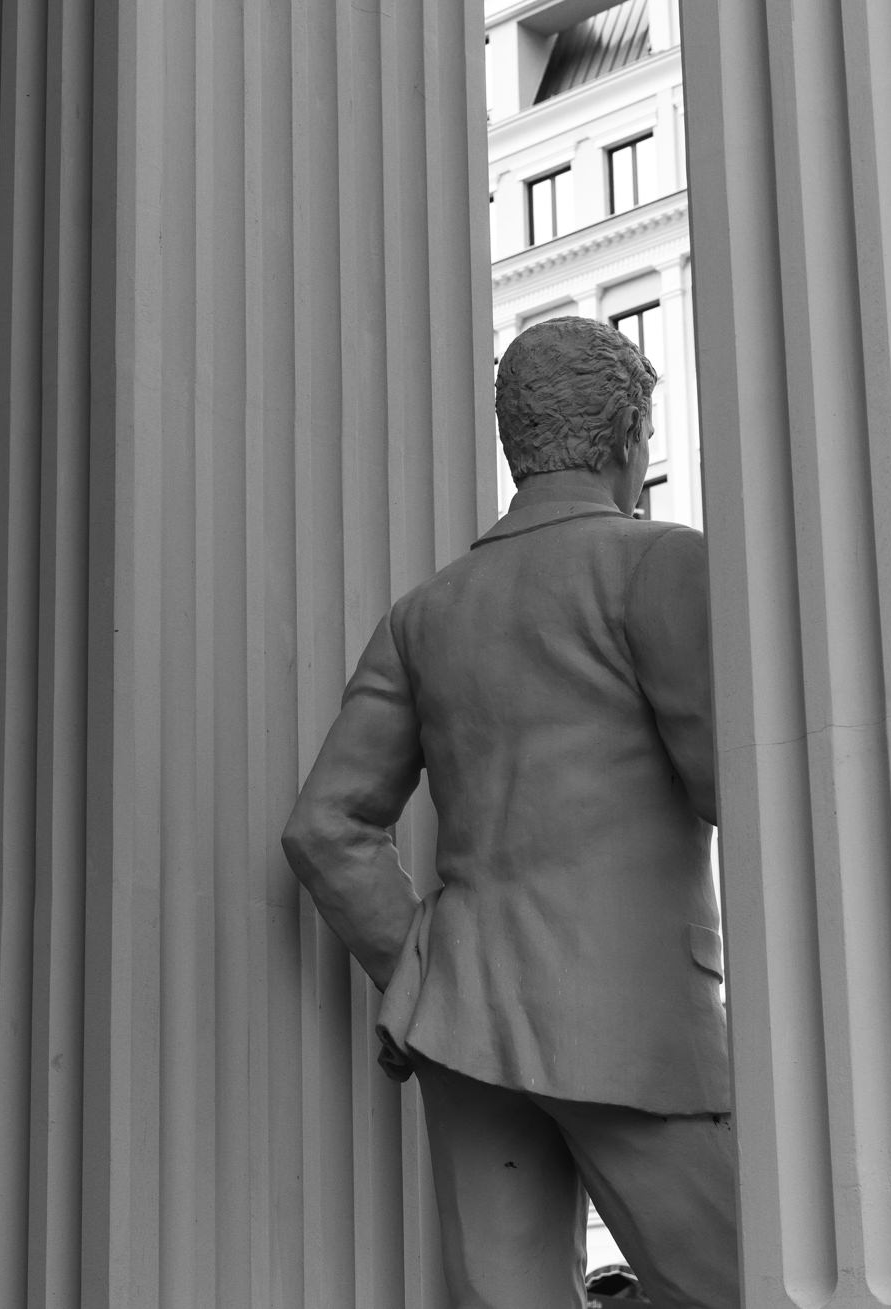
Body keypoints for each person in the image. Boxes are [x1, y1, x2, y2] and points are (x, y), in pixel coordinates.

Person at [282, 318, 737, 1308]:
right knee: (734, 1282)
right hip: (631, 1013)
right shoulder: (658, 564)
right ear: (626, 436)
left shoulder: (426, 612)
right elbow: (726, 783)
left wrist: (418, 973)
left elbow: (325, 827)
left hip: (461, 1019)